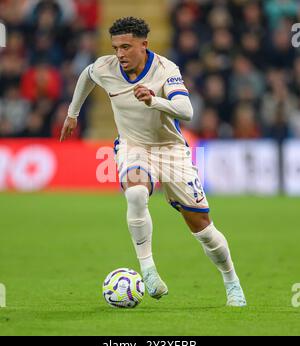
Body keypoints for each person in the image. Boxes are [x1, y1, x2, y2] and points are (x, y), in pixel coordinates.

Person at [60, 17, 246, 307]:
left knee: (203, 229)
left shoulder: (165, 69)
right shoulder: (105, 67)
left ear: (144, 45)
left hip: (171, 150)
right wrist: (73, 113)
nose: (120, 54)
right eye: (116, 47)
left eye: (126, 47)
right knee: (135, 192)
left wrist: (154, 101)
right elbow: (86, 75)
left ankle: (231, 281)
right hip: (133, 145)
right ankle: (148, 270)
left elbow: (186, 111)